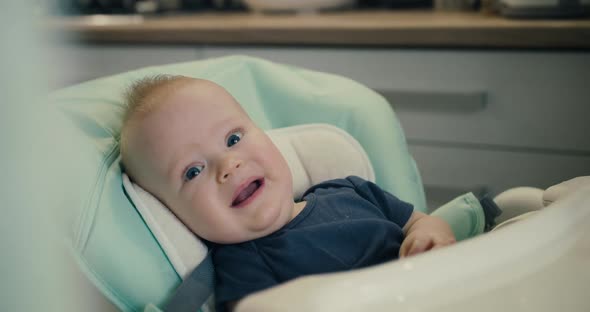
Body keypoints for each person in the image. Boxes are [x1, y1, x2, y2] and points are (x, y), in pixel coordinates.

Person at [120, 75, 457, 311]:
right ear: (173, 213)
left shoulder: (350, 189)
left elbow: (422, 222)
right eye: (192, 171)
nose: (228, 165)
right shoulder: (243, 262)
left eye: (233, 139)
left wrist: (431, 238)